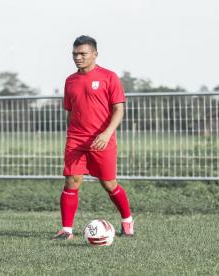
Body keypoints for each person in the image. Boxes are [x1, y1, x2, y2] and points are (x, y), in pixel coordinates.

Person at [53, 35, 134, 240]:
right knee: (72, 181)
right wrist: (72, 134)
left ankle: (127, 222)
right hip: (76, 139)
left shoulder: (109, 77)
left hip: (102, 140)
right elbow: (70, 112)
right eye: (74, 54)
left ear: (95, 54)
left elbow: (119, 110)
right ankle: (66, 231)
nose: (77, 57)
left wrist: (107, 134)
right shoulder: (70, 81)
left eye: (83, 53)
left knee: (109, 184)